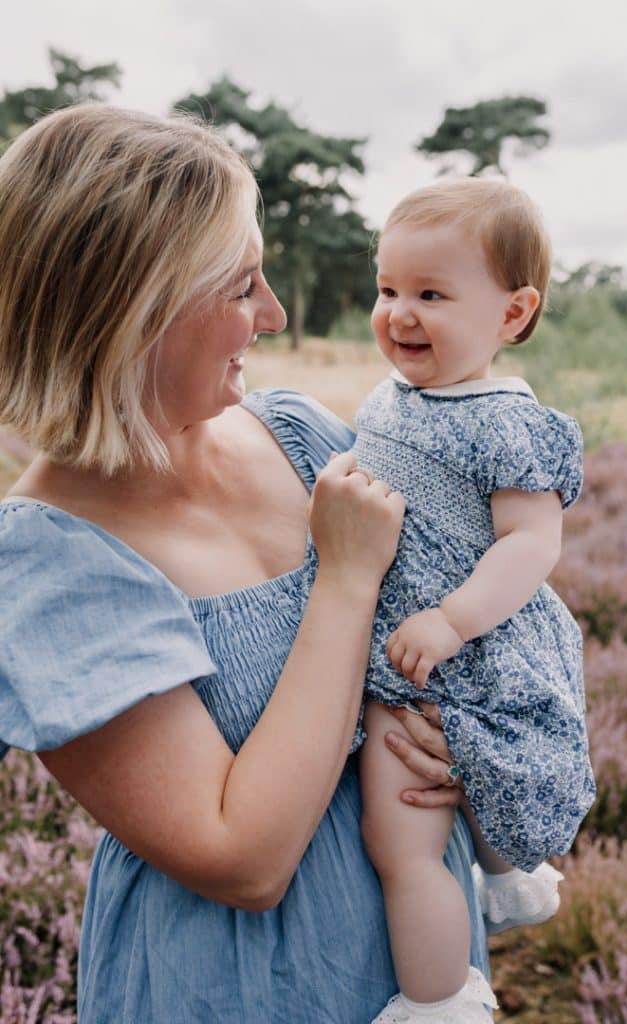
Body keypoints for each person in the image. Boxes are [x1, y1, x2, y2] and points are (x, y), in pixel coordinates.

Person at [0, 104, 491, 1024]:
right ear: (126, 311)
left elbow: (452, 621)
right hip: (244, 996)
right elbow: (243, 859)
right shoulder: (44, 568)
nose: (271, 316)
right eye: (238, 288)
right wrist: (343, 581)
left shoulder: (300, 435)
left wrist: (476, 748)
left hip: (424, 969)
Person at [325, 179, 595, 1023]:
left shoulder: (502, 424)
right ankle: (509, 873)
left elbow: (530, 545)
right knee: (447, 804)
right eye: (388, 289)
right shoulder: (393, 397)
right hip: (409, 638)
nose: (398, 313)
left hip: (453, 655)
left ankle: (436, 1000)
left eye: (430, 295)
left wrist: (451, 620)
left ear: (512, 316)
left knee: (399, 841)